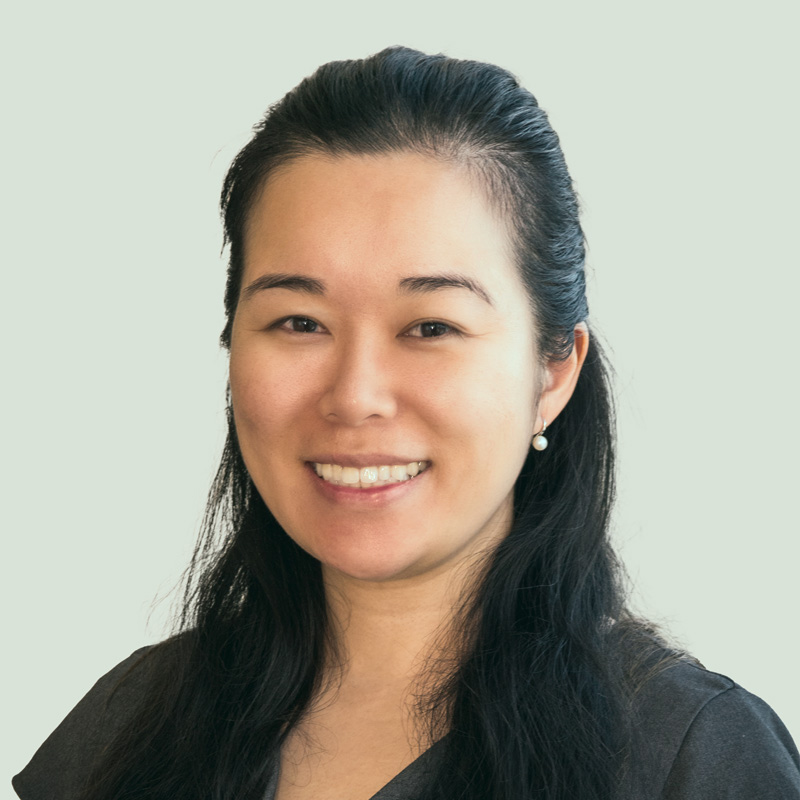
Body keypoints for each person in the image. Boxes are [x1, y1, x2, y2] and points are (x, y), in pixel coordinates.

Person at [13, 46, 800, 800]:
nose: (355, 396)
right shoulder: (131, 722)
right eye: (298, 322)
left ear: (553, 370)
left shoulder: (690, 755)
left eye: (430, 327)